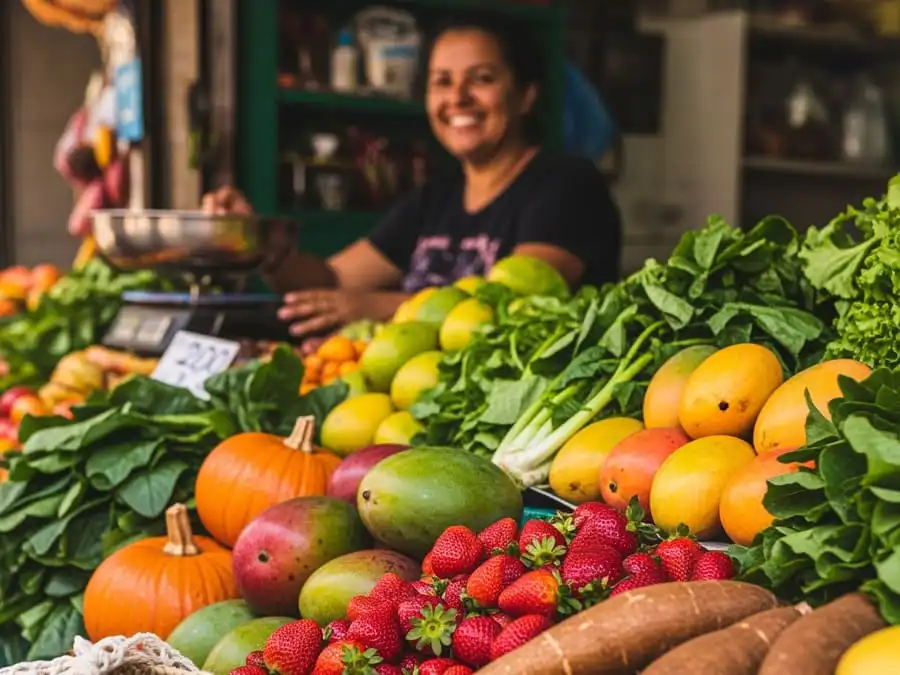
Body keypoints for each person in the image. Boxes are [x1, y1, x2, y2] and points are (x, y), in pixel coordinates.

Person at [203, 17, 622, 338]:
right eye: (442, 82)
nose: (457, 97)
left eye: (482, 79)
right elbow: (333, 282)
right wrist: (256, 241)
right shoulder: (438, 195)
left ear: (525, 96)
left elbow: (515, 300)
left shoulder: (566, 185)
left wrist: (377, 307)